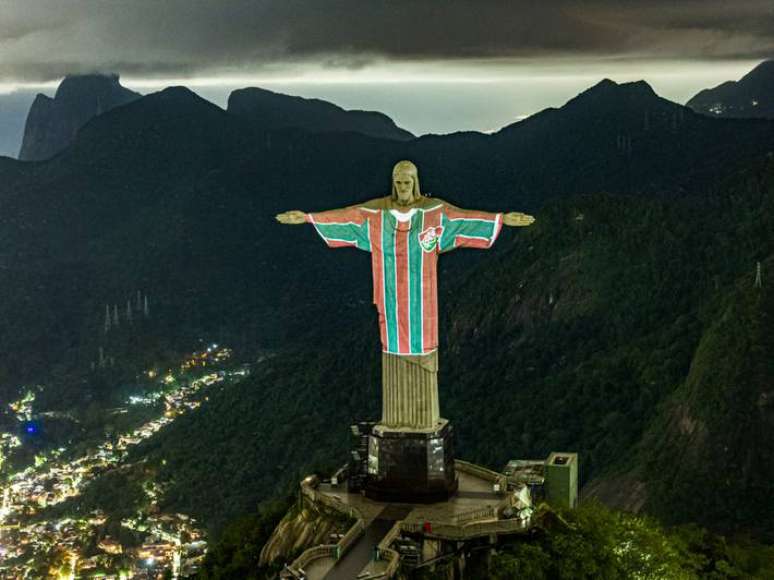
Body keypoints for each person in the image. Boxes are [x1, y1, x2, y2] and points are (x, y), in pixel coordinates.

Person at [276, 160, 535, 430]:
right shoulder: (378, 214)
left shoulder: (433, 213)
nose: (402, 188)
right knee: (392, 349)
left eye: (407, 182)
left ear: (416, 182)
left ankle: (423, 420)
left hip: (423, 300)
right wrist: (307, 218)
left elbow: (463, 219)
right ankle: (397, 420)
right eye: (398, 183)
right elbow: (347, 217)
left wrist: (502, 219)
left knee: (423, 348)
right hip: (391, 298)